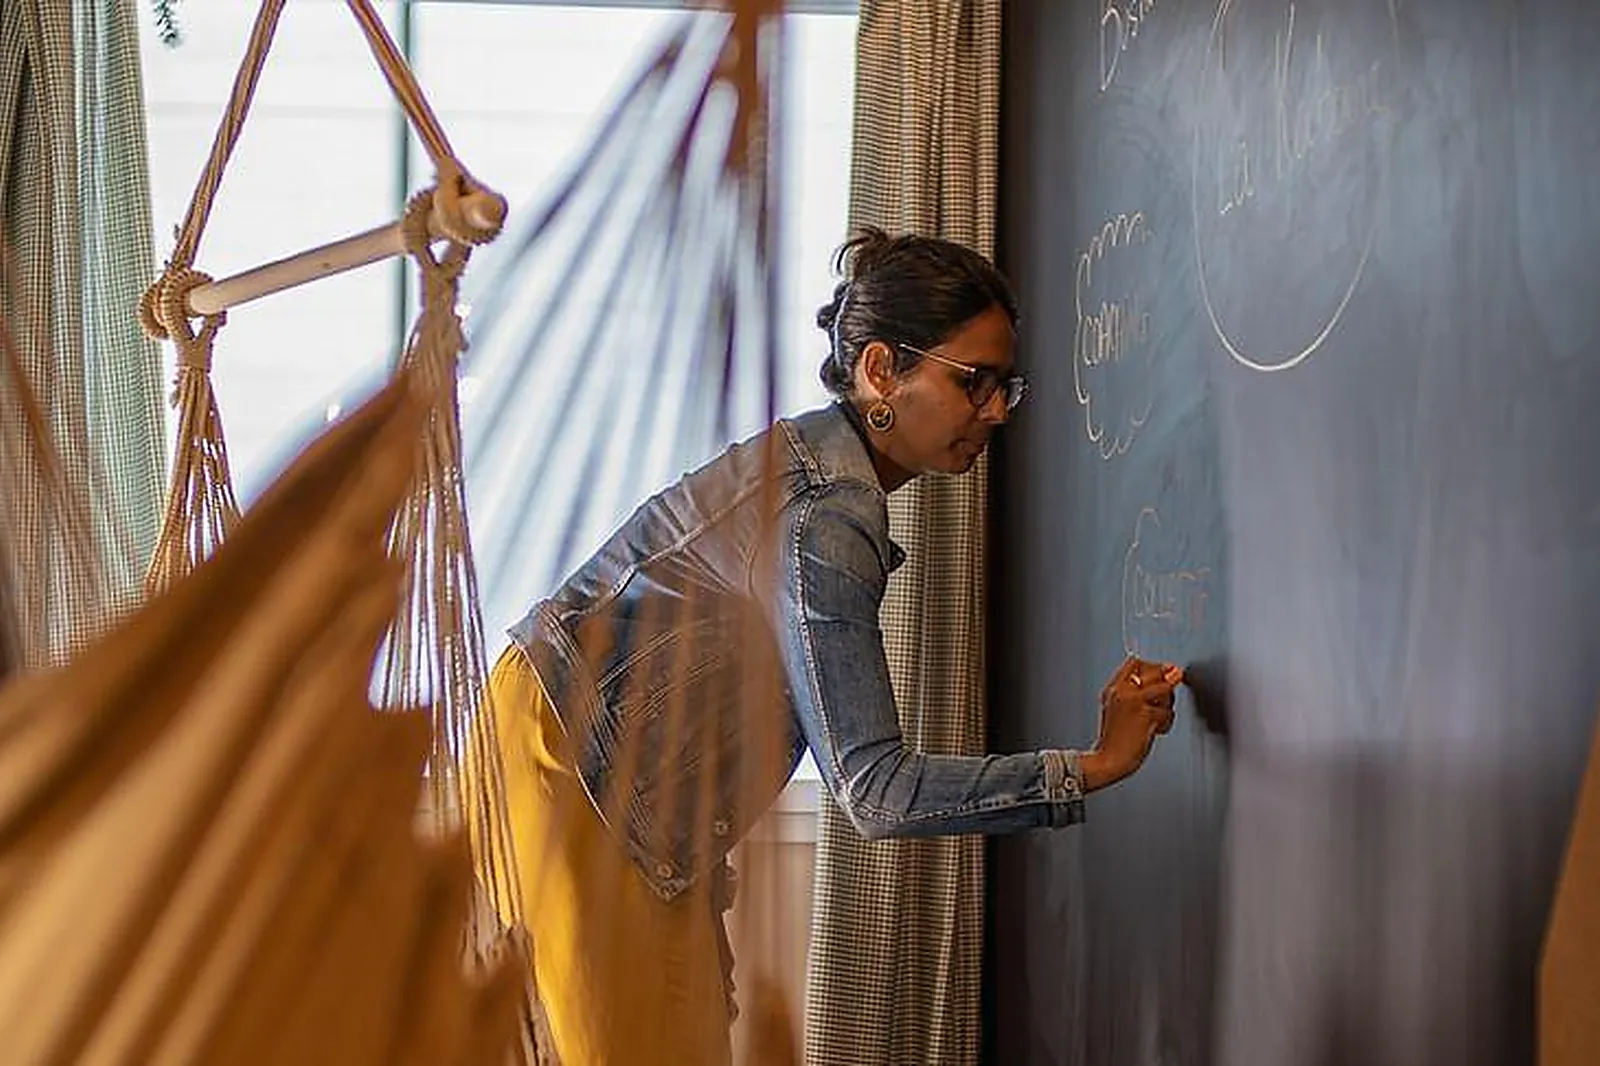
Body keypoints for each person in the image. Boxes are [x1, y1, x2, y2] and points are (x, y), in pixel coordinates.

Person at [471, 226, 1183, 1065]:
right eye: (974, 381)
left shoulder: (821, 476)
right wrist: (1092, 767)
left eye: (1006, 387)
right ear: (882, 371)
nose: (995, 411)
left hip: (600, 767)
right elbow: (875, 792)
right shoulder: (826, 514)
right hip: (571, 767)